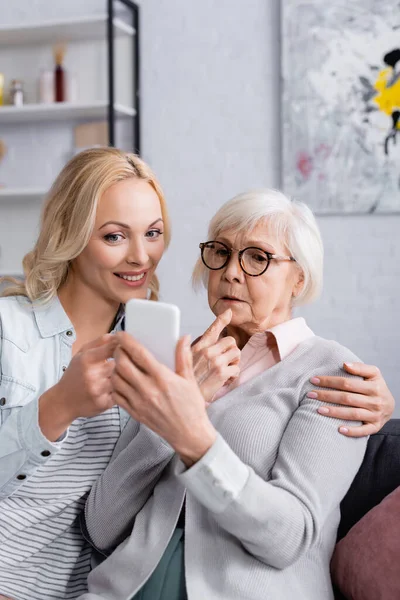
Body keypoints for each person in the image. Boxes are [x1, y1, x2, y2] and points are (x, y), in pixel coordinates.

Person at [0, 155, 393, 600]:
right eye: (221, 252)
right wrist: (169, 414)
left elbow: (288, 538)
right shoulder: (173, 358)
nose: (230, 271)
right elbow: (102, 526)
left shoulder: (330, 372)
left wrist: (189, 430)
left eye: (258, 258)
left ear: (298, 279)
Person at [0, 147, 171, 600]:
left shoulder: (156, 354)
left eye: (152, 233)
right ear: (71, 234)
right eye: (115, 236)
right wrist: (57, 407)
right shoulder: (6, 328)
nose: (141, 257)